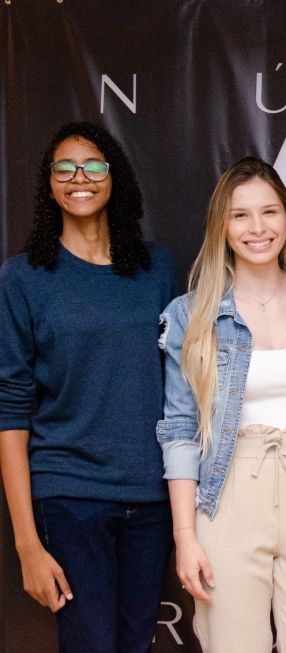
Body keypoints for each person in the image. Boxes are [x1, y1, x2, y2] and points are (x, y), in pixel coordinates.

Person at [157, 157, 286, 652]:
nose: (257, 228)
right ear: (222, 225)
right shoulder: (190, 313)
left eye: (269, 212)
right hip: (229, 491)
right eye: (240, 215)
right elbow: (179, 427)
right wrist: (186, 534)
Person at [0, 122, 175, 651]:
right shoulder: (24, 277)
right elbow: (10, 412)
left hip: (151, 497)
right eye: (65, 168)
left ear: (113, 177)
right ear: (49, 183)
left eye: (94, 165)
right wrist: (28, 543)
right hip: (70, 495)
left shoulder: (155, 268)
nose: (80, 177)